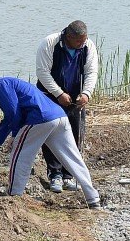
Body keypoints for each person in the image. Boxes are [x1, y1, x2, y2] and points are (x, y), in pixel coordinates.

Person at [0, 73, 103, 208]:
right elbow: (12, 115)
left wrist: (12, 137)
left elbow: (12, 115)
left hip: (40, 119)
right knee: (73, 158)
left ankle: (13, 196)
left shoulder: (2, 86)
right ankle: (93, 198)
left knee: (19, 155)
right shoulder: (10, 82)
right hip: (60, 117)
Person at [35, 20, 99, 194]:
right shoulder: (50, 43)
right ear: (69, 36)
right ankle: (54, 174)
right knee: (52, 135)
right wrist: (58, 93)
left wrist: (86, 93)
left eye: (84, 40)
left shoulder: (88, 46)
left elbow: (91, 71)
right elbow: (42, 72)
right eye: (79, 41)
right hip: (50, 96)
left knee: (74, 134)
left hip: (74, 97)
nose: (82, 44)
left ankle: (68, 175)